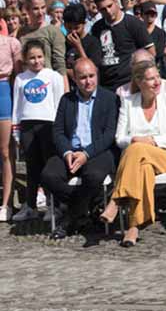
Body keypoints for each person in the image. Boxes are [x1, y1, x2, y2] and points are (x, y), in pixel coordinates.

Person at [100, 60, 166, 247]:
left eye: (158, 77)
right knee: (143, 166)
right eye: (151, 79)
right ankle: (133, 227)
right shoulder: (128, 103)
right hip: (138, 159)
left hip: (165, 155)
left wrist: (150, 141)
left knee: (138, 149)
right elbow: (120, 138)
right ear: (139, 82)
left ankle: (116, 199)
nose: (157, 82)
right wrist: (134, 140)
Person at [41, 58, 120, 239]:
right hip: (71, 150)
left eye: (91, 76)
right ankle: (89, 206)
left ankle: (69, 220)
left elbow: (109, 134)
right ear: (75, 79)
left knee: (93, 176)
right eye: (82, 77)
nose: (88, 81)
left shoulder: (110, 98)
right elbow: (58, 130)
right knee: (48, 176)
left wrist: (86, 154)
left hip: (98, 151)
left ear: (97, 75)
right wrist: (67, 152)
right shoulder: (67, 100)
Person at [10, 40, 66, 222]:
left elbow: (59, 104)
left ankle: (53, 206)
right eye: (32, 58)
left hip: (48, 125)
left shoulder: (53, 77)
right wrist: (16, 132)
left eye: (39, 57)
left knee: (49, 167)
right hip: (27, 126)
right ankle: (30, 206)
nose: (36, 61)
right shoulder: (21, 79)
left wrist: (60, 129)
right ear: (26, 59)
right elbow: (17, 108)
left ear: (45, 57)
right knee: (32, 167)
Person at [90, 0, 154, 92]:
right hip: (106, 84)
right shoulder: (97, 28)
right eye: (103, 9)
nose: (108, 11)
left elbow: (150, 52)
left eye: (110, 6)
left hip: (129, 83)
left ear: (116, 1)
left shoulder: (134, 24)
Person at [0, 29, 21, 221]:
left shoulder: (10, 43)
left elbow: (18, 75)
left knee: (6, 151)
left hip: (3, 91)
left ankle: (6, 203)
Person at [63, 3, 102, 77]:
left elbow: (92, 70)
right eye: (69, 28)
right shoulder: (62, 42)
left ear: (84, 24)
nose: (73, 31)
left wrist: (78, 46)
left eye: (77, 28)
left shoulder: (93, 42)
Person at [137, 2, 166, 76]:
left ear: (156, 15)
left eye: (153, 13)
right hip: (140, 68)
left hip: (156, 68)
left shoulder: (160, 33)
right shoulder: (137, 32)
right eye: (147, 13)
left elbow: (159, 53)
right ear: (142, 15)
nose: (150, 16)